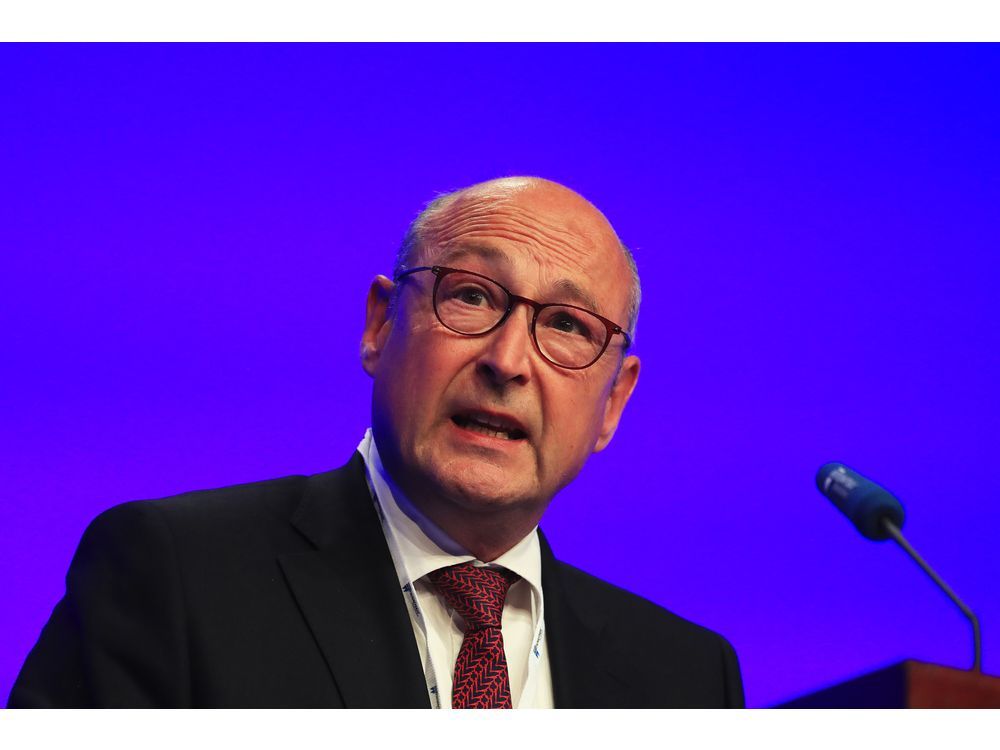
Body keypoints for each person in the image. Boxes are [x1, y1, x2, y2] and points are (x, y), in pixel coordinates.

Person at [9, 177, 743, 708]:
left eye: (567, 326)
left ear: (613, 400)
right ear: (380, 325)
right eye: (471, 296)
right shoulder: (174, 576)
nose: (508, 361)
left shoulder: (686, 680)